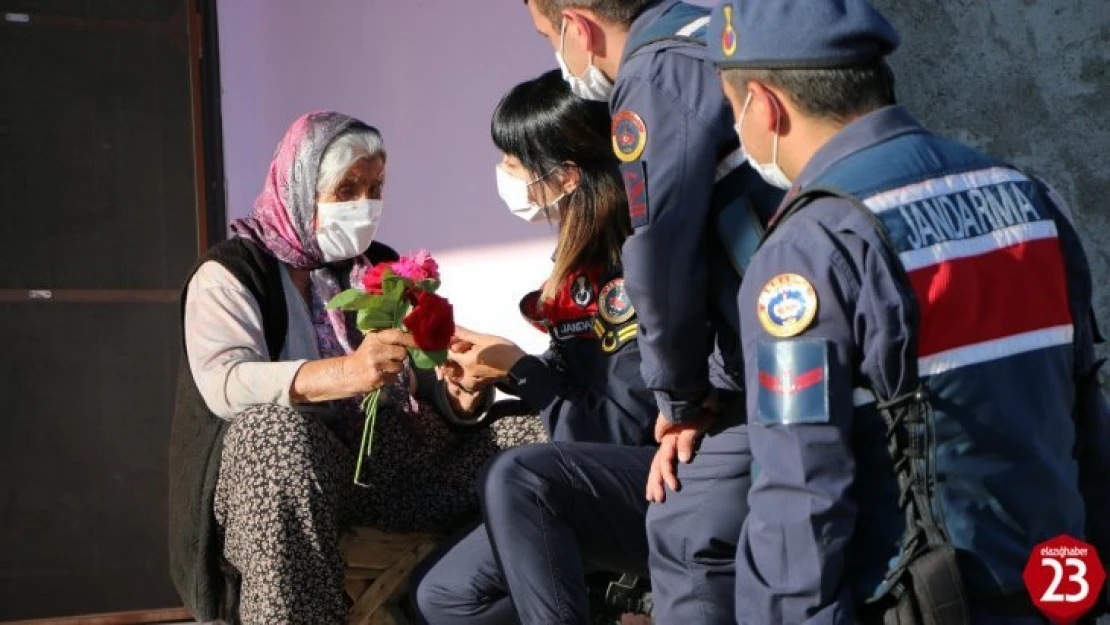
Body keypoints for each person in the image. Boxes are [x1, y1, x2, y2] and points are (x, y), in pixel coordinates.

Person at [695, 1, 1110, 623]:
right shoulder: (1029, 198)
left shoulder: (811, 248)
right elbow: (1084, 416)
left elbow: (800, 493)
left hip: (927, 602)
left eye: (733, 110)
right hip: (1057, 596)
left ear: (764, 104)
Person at [167, 111, 545, 625]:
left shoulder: (383, 267)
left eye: (374, 187)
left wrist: (460, 392)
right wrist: (348, 372)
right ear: (301, 188)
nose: (364, 205)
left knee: (542, 432)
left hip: (407, 471)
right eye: (346, 189)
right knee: (269, 435)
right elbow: (225, 383)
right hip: (315, 481)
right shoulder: (231, 274)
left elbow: (425, 384)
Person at [520, 1, 784, 621]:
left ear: (578, 26)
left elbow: (662, 252)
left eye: (549, 37)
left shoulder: (654, 73)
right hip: (782, 340)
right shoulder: (713, 32)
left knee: (686, 525)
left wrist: (683, 403)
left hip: (779, 352)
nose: (559, 60)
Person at [412, 69, 659, 625]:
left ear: (567, 175)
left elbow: (613, 430)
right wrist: (494, 370)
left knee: (512, 476)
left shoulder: (630, 268)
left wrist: (522, 368)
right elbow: (581, 371)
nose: (504, 174)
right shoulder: (582, 256)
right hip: (593, 474)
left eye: (513, 163)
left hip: (653, 480)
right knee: (441, 596)